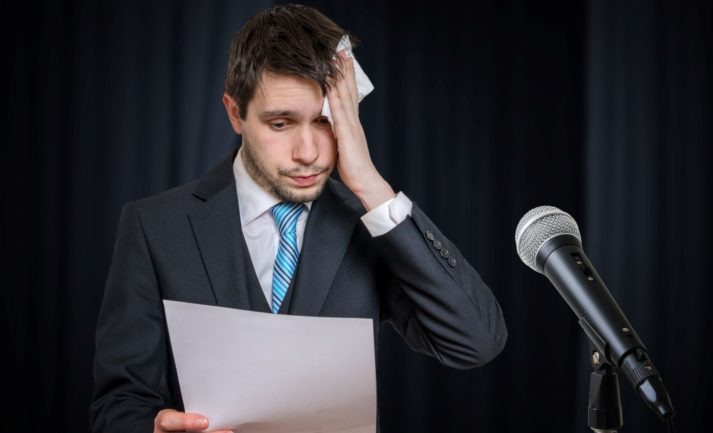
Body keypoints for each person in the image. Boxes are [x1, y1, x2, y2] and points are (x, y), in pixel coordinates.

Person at [91, 4, 507, 433]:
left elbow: (475, 341)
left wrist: (369, 184)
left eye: (325, 122)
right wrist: (154, 427)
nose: (308, 152)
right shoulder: (155, 226)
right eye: (281, 123)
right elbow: (118, 405)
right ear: (235, 113)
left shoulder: (369, 224)